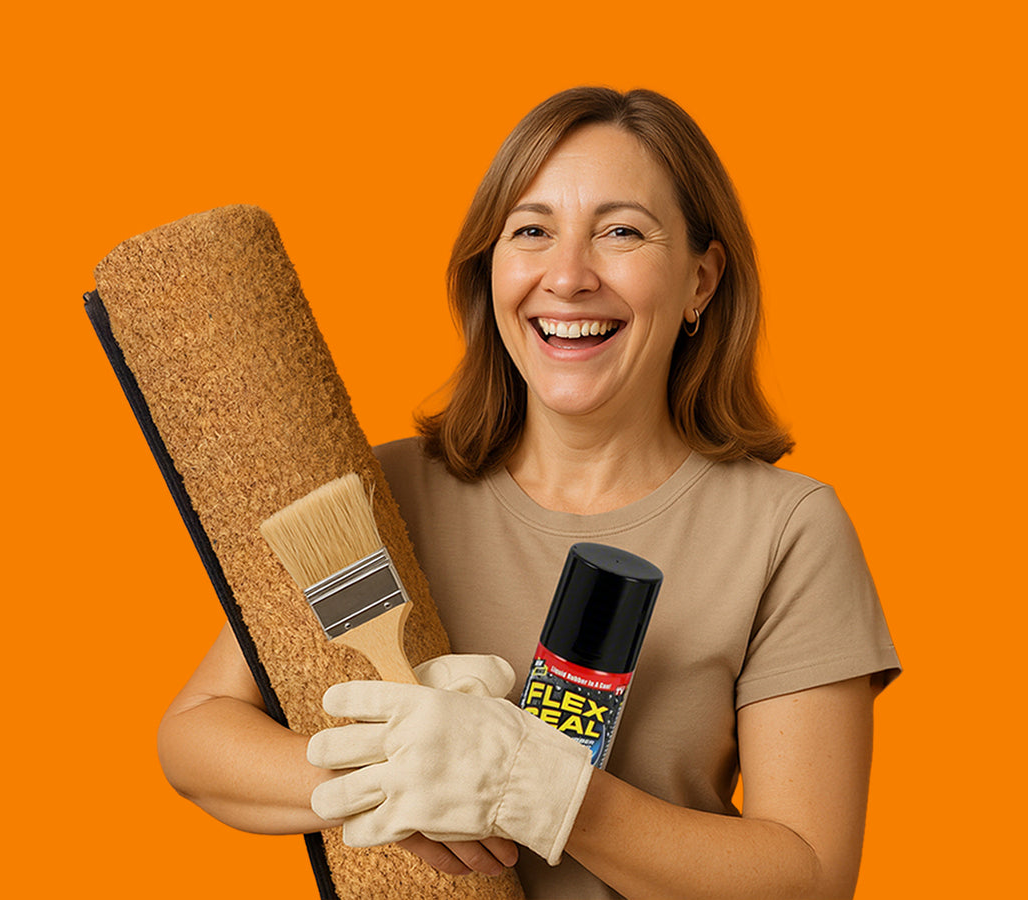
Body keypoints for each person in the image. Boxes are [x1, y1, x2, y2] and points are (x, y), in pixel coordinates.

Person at [158, 86, 900, 900]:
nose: (569, 277)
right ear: (491, 274)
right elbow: (195, 740)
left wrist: (541, 791)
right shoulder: (380, 494)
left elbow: (811, 877)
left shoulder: (784, 531)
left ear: (700, 280)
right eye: (532, 232)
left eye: (621, 232)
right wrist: (400, 772)